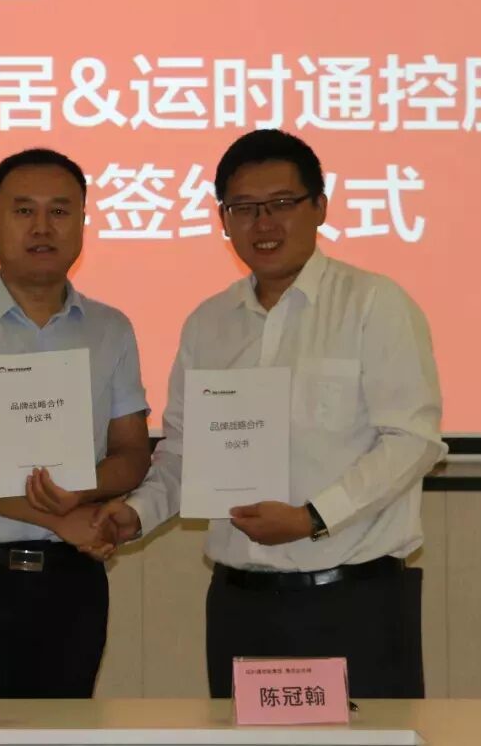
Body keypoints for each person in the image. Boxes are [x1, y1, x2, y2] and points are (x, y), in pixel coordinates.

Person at [92, 129, 446, 699]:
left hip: (354, 603)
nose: (264, 223)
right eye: (244, 208)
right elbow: (184, 453)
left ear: (320, 207)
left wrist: (313, 517)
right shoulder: (209, 324)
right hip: (241, 607)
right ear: (223, 219)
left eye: (282, 203)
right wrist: (135, 514)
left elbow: (412, 441)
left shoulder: (373, 304)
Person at [0, 148, 151, 698]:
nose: (42, 227)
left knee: (62, 732)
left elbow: (132, 453)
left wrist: (80, 494)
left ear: (82, 223)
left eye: (60, 211)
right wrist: (60, 516)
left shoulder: (111, 329)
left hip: (71, 584)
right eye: (23, 211)